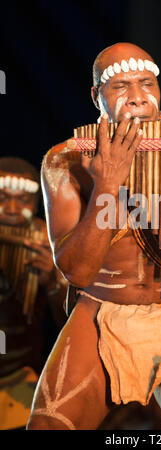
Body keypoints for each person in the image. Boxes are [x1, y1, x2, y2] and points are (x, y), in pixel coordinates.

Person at [27, 42, 161, 430]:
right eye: (120, 86)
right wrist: (106, 185)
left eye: (147, 83)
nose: (138, 97)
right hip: (100, 309)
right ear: (97, 96)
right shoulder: (65, 159)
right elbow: (76, 272)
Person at [0, 157, 67, 430]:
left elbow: (68, 325)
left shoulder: (50, 242)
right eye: (3, 198)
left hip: (20, 374)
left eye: (24, 200)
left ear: (37, 204)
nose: (13, 209)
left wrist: (52, 281)